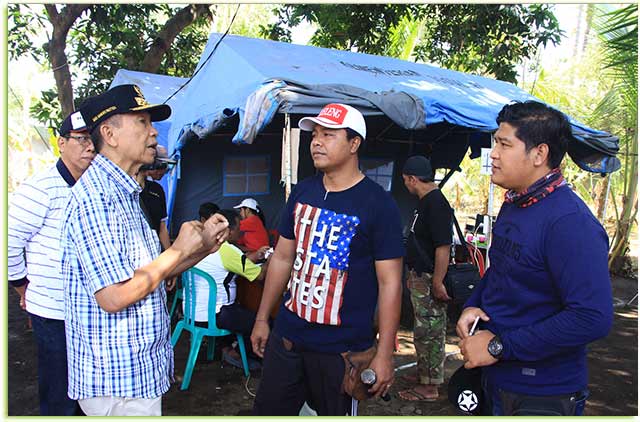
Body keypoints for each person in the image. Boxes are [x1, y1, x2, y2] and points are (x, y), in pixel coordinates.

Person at [60, 84, 230, 416]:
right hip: (116, 381)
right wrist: (178, 248)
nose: (153, 132)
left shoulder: (126, 192)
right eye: (142, 122)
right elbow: (113, 296)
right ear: (109, 134)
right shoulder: (96, 200)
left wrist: (202, 248)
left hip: (136, 371)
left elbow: (150, 272)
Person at [457, 100, 613, 416]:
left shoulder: (570, 223)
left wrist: (498, 346)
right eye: (494, 143)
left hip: (542, 395)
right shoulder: (516, 204)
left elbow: (591, 317)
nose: (494, 154)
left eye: (504, 144)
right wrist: (475, 304)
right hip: (497, 380)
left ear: (539, 154)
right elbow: (502, 269)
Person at [251, 103, 404, 415]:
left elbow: (390, 283)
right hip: (288, 339)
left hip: (342, 352)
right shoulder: (301, 192)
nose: (316, 141)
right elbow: (281, 258)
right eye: (315, 134)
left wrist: (385, 353)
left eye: (328, 135)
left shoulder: (378, 205)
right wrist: (262, 318)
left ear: (354, 143)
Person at [8, 108, 96, 415]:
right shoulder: (39, 189)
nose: (89, 147)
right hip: (54, 311)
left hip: (92, 310)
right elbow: (8, 244)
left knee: (89, 393)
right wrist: (22, 287)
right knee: (59, 391)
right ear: (61, 143)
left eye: (93, 140)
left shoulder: (95, 187)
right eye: (81, 139)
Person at [399, 155, 453, 402]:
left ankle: (430, 387)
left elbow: (444, 247)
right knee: (422, 329)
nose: (405, 185)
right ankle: (424, 374)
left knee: (430, 330)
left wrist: (438, 281)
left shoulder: (437, 204)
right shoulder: (425, 201)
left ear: (412, 179)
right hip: (420, 276)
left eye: (405, 180)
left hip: (430, 277)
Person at [190, 207, 269, 367]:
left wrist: (256, 255)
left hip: (192, 311)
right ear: (229, 231)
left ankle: (226, 346)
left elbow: (237, 261)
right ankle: (244, 355)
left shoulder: (201, 243)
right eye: (239, 229)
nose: (241, 233)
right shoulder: (227, 250)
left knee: (239, 312)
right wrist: (271, 260)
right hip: (215, 314)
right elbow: (260, 275)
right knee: (261, 321)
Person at [137, 145, 172, 251]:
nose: (164, 170)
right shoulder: (129, 190)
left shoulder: (157, 190)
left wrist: (169, 255)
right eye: (161, 166)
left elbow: (162, 227)